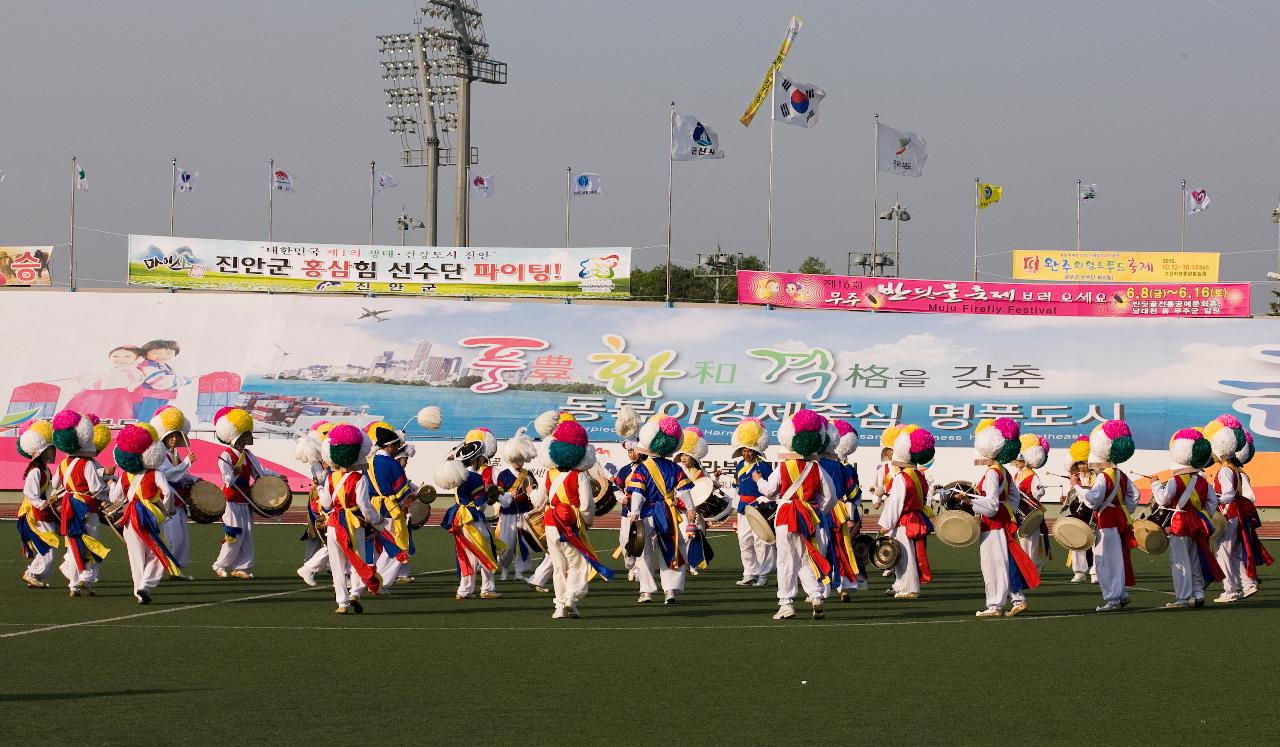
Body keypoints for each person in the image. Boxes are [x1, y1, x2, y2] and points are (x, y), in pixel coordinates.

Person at [756, 410, 838, 621]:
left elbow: (769, 491)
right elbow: (831, 497)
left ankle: (786, 603)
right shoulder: (817, 468)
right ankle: (815, 595)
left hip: (785, 516)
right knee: (805, 558)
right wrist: (817, 511)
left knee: (785, 561)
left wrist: (757, 479)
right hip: (809, 517)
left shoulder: (783, 466)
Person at [531, 415, 613, 618]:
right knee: (577, 564)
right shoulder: (580, 476)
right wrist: (587, 521)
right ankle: (570, 598)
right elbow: (587, 505)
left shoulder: (548, 474)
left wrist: (530, 491)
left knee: (559, 567)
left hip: (550, 524)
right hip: (570, 524)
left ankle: (560, 607)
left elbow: (537, 500)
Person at [965, 418, 1039, 618]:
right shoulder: (1003, 471)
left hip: (993, 524)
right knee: (1006, 561)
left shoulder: (991, 473)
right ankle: (1017, 599)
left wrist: (969, 500)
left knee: (993, 564)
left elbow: (991, 505)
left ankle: (995, 604)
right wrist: (1008, 512)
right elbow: (1014, 497)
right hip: (1003, 521)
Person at [624, 414, 697, 605]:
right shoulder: (674, 467)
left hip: (647, 513)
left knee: (643, 550)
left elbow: (638, 493)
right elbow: (684, 492)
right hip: (667, 513)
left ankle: (646, 591)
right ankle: (670, 590)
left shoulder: (642, 468)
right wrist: (690, 510)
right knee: (672, 547)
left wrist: (633, 513)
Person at [316, 424, 387, 614]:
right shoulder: (359, 478)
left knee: (337, 565)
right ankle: (355, 592)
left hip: (334, 524)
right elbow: (365, 506)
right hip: (353, 523)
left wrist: (319, 488)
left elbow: (326, 504)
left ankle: (342, 603)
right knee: (358, 559)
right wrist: (378, 521)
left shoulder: (330, 478)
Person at [1150, 428, 1223, 609]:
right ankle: (1198, 593)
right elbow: (1213, 503)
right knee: (1194, 559)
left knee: (1180, 561)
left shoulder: (1176, 480)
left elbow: (1162, 499)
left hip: (1180, 522)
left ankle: (1182, 598)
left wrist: (1155, 483)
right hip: (1196, 521)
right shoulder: (1202, 481)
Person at [111, 424, 181, 604]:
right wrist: (168, 510)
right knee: (157, 554)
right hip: (148, 518)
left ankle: (138, 591)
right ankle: (145, 585)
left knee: (136, 557)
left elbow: (114, 498)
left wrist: (111, 483)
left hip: (129, 519)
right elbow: (168, 493)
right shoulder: (155, 473)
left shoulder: (125, 475)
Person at [1074, 420, 1140, 612]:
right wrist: (1124, 507)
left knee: (1104, 561)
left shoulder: (1104, 475)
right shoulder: (1120, 474)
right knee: (1117, 559)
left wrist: (1077, 488)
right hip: (1118, 519)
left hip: (1107, 520)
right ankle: (1121, 594)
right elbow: (1134, 496)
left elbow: (1093, 500)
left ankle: (1113, 599)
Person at [435, 430, 507, 600]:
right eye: (482, 457)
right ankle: (487, 588)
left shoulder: (459, 475)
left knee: (467, 555)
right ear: (476, 459)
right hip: (473, 517)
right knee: (487, 550)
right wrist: (490, 493)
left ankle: (464, 590)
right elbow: (481, 503)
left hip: (459, 517)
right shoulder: (474, 477)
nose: (484, 460)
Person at [211, 407, 280, 579]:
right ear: (236, 436)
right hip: (231, 500)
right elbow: (227, 480)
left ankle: (242, 567)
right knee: (234, 534)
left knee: (247, 534)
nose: (248, 438)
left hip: (246, 499)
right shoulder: (225, 455)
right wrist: (235, 471)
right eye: (244, 435)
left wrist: (279, 476)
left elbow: (260, 472)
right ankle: (219, 565)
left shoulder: (248, 454)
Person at [49, 409, 113, 597]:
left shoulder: (63, 464)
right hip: (87, 507)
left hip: (69, 506)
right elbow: (95, 488)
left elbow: (55, 484)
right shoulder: (87, 463)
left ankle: (73, 585)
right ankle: (87, 577)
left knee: (73, 542)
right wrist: (111, 496)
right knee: (91, 542)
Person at [877, 425, 935, 599]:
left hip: (905, 519)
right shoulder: (918, 474)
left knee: (905, 554)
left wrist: (885, 524)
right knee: (907, 553)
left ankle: (910, 587)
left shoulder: (903, 477)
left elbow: (896, 502)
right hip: (915, 516)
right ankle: (900, 585)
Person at [364, 422, 416, 591]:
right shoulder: (391, 464)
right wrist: (411, 498)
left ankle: (375, 578)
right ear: (390, 446)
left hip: (372, 507)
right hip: (389, 509)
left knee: (385, 546)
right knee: (399, 545)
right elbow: (402, 492)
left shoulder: (370, 463)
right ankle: (380, 583)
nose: (398, 449)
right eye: (396, 446)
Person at [730, 417, 775, 588]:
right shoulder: (740, 465)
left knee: (761, 541)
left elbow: (770, 489)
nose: (745, 453)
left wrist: (763, 501)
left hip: (759, 509)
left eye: (749, 450)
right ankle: (749, 572)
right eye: (743, 450)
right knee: (744, 540)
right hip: (743, 509)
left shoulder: (764, 467)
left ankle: (763, 575)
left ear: (756, 450)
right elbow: (739, 488)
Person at [152, 406, 195, 579]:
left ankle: (175, 567)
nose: (174, 439)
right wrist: (186, 463)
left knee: (182, 538)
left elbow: (180, 474)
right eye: (171, 436)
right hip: (166, 502)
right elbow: (169, 474)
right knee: (172, 538)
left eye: (176, 436)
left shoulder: (173, 454)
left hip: (178, 502)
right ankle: (168, 567)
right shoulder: (160, 454)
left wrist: (194, 479)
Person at [16, 420, 60, 589]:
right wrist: (46, 503)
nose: (52, 451)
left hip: (43, 513)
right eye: (49, 449)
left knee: (48, 547)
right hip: (36, 515)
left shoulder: (45, 470)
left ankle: (33, 574)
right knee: (47, 548)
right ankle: (33, 573)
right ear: (41, 452)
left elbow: (50, 489)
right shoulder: (35, 472)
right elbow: (30, 495)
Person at [495, 427, 539, 582]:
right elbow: (499, 496)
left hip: (524, 514)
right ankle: (505, 568)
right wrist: (509, 495)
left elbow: (535, 493)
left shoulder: (528, 474)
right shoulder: (503, 475)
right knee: (507, 545)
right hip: (508, 515)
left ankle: (520, 571)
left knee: (523, 544)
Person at [296, 422, 335, 586]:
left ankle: (330, 566)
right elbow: (320, 482)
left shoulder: (327, 463)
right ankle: (309, 563)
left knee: (330, 536)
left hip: (327, 495)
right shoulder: (316, 464)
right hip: (319, 498)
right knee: (317, 531)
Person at [64, 346, 145, 422]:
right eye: (115, 356)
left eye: (127, 356)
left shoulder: (133, 371)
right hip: (93, 399)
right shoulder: (110, 371)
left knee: (106, 416)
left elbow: (117, 381)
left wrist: (86, 380)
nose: (121, 359)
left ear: (136, 359)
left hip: (114, 400)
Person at [833, 419, 868, 594]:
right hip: (838, 512)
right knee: (844, 548)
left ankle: (853, 580)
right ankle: (847, 581)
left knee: (848, 548)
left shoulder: (843, 468)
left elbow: (853, 496)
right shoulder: (841, 467)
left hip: (842, 513)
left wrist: (849, 517)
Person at [1012, 434, 1052, 572]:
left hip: (1030, 510)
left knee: (1032, 540)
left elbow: (1039, 493)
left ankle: (1033, 566)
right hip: (1020, 511)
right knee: (1023, 538)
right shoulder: (1017, 474)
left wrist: (1032, 493)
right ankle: (1027, 565)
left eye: (1019, 459)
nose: (1016, 462)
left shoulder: (1032, 475)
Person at [1064, 439, 1097, 584]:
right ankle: (1079, 572)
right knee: (1077, 541)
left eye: (1085, 462)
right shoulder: (1074, 478)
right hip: (1079, 514)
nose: (1082, 466)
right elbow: (1070, 497)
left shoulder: (1097, 477)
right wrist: (1065, 498)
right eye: (1080, 463)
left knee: (1096, 542)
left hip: (1094, 514)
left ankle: (1095, 571)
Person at [133, 339, 184, 422]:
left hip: (161, 396)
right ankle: (142, 431)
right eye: (156, 353)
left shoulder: (165, 365)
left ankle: (152, 430)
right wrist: (183, 380)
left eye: (168, 353)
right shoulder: (147, 365)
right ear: (145, 353)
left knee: (156, 417)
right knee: (146, 417)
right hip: (149, 397)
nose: (162, 356)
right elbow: (159, 381)